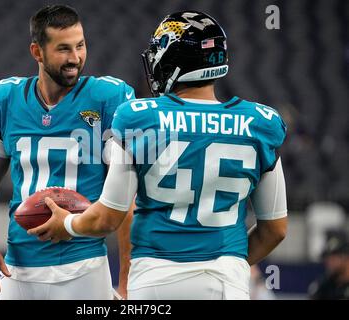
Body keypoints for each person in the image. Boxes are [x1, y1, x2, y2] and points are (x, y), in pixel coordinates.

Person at [30, 10, 288, 300]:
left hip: (155, 280)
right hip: (226, 283)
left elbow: (108, 218)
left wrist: (66, 225)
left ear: (172, 60)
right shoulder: (260, 123)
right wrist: (228, 265)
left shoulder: (139, 118)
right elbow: (275, 230)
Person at [0, 4, 135, 300]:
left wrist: (127, 284)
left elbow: (128, 201)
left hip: (82, 265)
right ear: (37, 52)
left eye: (80, 46)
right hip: (18, 268)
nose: (75, 58)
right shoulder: (5, 99)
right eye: (63, 49)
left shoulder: (107, 98)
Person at [309, 230, 349, 300]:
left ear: (346, 256)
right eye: (327, 257)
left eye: (333, 257)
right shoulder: (323, 286)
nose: (328, 261)